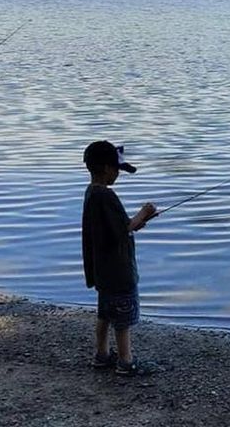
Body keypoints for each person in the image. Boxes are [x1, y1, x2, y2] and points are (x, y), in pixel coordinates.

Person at [82, 140, 157, 376]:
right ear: (106, 168)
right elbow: (123, 229)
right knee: (123, 318)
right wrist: (144, 213)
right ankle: (125, 361)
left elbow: (116, 228)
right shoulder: (107, 197)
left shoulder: (91, 193)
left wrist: (134, 224)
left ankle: (101, 355)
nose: (118, 174)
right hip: (118, 270)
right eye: (117, 169)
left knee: (105, 313)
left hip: (102, 270)